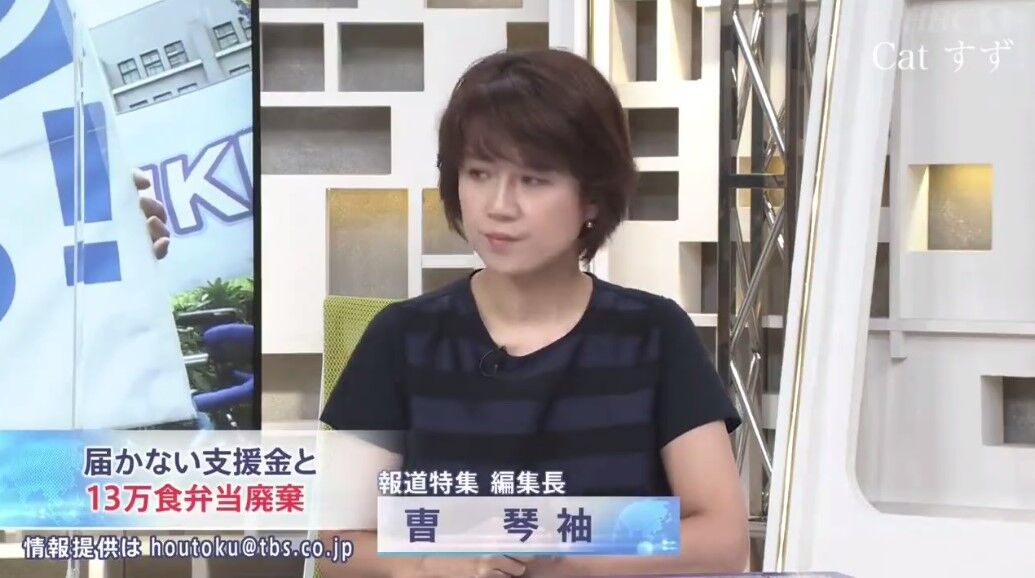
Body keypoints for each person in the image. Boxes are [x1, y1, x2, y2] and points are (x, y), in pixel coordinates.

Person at [318, 49, 748, 578]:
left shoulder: (654, 335)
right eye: (479, 173)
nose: (499, 206)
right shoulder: (401, 338)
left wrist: (569, 559)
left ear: (592, 199)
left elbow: (723, 539)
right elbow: (336, 544)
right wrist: (426, 565)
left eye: (534, 179)